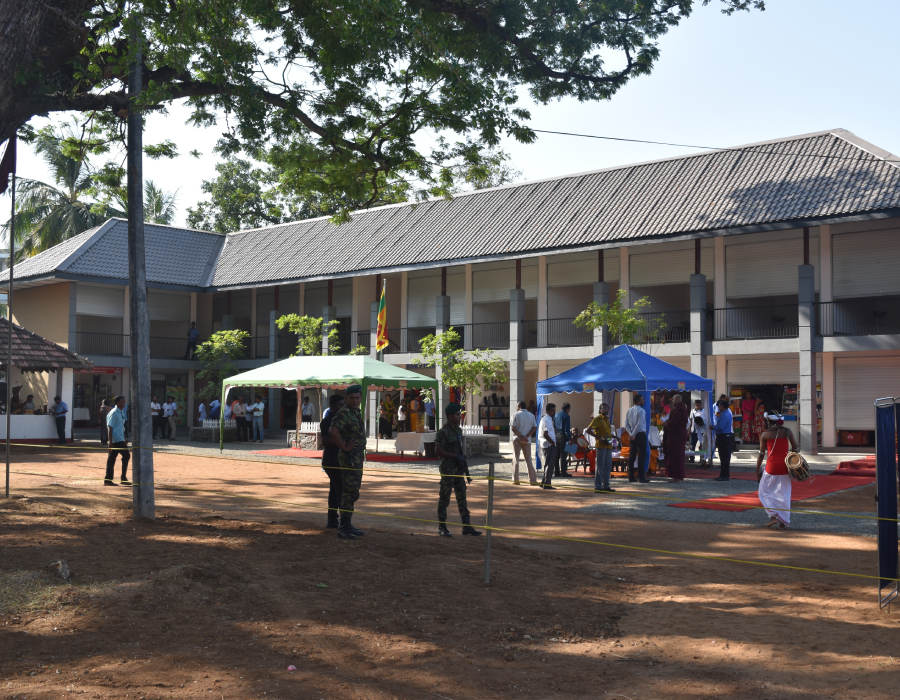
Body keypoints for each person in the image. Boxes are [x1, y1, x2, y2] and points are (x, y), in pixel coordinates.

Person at [435, 402, 481, 537]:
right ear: (450, 416)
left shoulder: (458, 430)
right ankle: (442, 526)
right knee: (444, 498)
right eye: (457, 414)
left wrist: (462, 460)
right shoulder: (443, 432)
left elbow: (459, 448)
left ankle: (466, 526)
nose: (459, 416)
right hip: (448, 469)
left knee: (462, 498)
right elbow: (438, 450)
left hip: (458, 469)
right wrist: (454, 456)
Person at [329, 384, 367, 540]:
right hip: (349, 458)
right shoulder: (344, 413)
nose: (355, 400)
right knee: (349, 492)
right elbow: (333, 430)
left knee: (353, 491)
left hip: (356, 458)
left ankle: (348, 524)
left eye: (357, 398)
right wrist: (344, 446)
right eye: (352, 398)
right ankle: (343, 527)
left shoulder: (354, 413)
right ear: (347, 398)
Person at [756, 411, 797, 529]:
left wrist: (757, 469)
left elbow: (761, 454)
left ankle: (773, 515)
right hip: (785, 467)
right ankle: (783, 521)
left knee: (763, 492)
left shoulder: (765, 434)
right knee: (784, 494)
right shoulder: (788, 431)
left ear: (768, 421)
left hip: (771, 467)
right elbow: (795, 448)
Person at [321, 394, 345, 529]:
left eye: (343, 405)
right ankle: (342, 521)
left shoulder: (340, 419)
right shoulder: (327, 420)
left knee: (335, 490)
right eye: (340, 405)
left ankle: (332, 520)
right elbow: (325, 441)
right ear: (332, 407)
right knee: (339, 489)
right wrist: (342, 443)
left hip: (339, 460)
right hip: (331, 461)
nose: (342, 408)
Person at [586, 402, 615, 492]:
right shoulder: (597, 419)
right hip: (601, 446)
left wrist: (616, 437)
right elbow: (588, 430)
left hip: (608, 445)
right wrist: (598, 437)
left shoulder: (607, 420)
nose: (605, 409)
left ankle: (606, 485)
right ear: (600, 410)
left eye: (606, 408)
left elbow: (608, 433)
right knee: (600, 467)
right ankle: (598, 486)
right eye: (603, 408)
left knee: (607, 466)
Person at [105, 396, 131, 486]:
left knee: (112, 459)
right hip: (116, 440)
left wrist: (125, 437)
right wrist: (110, 442)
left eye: (124, 401)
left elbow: (122, 426)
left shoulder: (121, 412)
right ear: (117, 403)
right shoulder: (114, 412)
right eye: (122, 401)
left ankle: (109, 479)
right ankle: (122, 478)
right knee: (126, 455)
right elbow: (110, 427)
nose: (124, 402)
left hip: (120, 438)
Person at [510, 400, 537, 485]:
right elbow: (534, 427)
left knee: (516, 459)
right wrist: (526, 436)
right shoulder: (531, 415)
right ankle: (532, 480)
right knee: (528, 459)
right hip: (527, 440)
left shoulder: (515, 415)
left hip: (517, 439)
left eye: (517, 406)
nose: (516, 408)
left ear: (520, 407)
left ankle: (516, 480)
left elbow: (513, 428)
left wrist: (521, 436)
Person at [664, 395, 689, 483]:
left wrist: (667, 424)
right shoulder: (682, 408)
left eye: (673, 399)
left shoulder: (679, 409)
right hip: (679, 435)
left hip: (676, 435)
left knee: (676, 456)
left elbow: (673, 422)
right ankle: (679, 476)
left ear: (677, 399)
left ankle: (677, 477)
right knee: (679, 455)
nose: (673, 401)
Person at [625, 393, 650, 483]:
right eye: (642, 400)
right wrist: (633, 434)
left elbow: (626, 424)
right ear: (638, 401)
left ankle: (631, 476)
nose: (644, 401)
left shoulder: (629, 410)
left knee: (632, 456)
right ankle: (641, 477)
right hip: (639, 434)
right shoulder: (642, 411)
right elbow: (639, 424)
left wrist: (631, 434)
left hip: (633, 435)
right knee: (641, 456)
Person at [714, 398, 734, 481]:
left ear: (722, 406)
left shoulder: (725, 415)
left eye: (719, 406)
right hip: (724, 436)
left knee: (724, 457)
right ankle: (723, 474)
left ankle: (725, 475)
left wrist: (714, 427)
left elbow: (720, 427)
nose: (718, 408)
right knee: (723, 457)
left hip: (723, 436)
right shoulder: (725, 413)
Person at [539, 403, 557, 490]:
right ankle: (547, 483)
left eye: (554, 410)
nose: (554, 412)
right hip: (548, 445)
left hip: (548, 444)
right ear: (548, 411)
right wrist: (552, 442)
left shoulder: (548, 419)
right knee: (550, 464)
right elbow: (545, 434)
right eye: (552, 411)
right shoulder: (546, 419)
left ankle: (543, 482)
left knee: (548, 464)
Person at [553, 402, 574, 478]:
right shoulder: (566, 416)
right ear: (568, 409)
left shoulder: (556, 415)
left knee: (556, 455)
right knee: (563, 456)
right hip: (563, 436)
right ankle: (563, 472)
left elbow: (554, 425)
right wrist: (570, 438)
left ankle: (556, 472)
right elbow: (567, 429)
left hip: (556, 435)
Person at [689, 399, 708, 466]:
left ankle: (702, 459)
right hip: (695, 430)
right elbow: (691, 421)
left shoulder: (704, 411)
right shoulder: (692, 411)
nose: (697, 406)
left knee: (703, 445)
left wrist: (701, 442)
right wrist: (689, 430)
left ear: (701, 405)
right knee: (692, 444)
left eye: (698, 405)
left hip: (704, 430)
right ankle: (692, 458)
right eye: (696, 405)